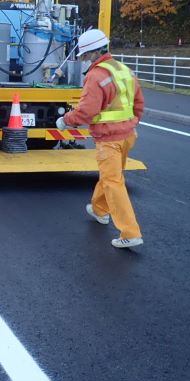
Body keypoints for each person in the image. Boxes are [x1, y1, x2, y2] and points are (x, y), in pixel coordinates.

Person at [56, 29, 145, 249]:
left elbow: (86, 111)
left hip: (109, 139)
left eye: (85, 56)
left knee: (113, 181)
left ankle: (130, 232)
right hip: (127, 135)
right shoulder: (123, 69)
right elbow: (139, 104)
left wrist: (65, 120)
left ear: (93, 53)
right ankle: (99, 209)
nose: (84, 61)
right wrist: (131, 124)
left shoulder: (96, 76)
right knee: (111, 175)